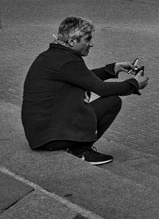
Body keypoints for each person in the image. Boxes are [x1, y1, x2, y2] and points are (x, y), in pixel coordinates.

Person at [21, 17, 149, 165]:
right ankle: (81, 150)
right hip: (50, 138)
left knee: (95, 103)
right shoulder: (68, 61)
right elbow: (101, 89)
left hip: (41, 133)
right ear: (72, 41)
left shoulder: (54, 55)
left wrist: (111, 69)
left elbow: (81, 77)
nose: (91, 44)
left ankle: (77, 146)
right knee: (112, 102)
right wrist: (134, 84)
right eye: (87, 39)